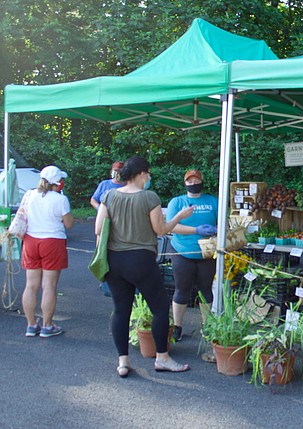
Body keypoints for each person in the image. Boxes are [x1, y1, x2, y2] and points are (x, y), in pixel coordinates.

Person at [95, 156, 194, 377]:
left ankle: (123, 361)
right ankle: (162, 357)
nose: (149, 177)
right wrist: (180, 216)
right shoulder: (150, 197)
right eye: (148, 173)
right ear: (141, 174)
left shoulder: (109, 196)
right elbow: (161, 230)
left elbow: (98, 228)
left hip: (114, 260)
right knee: (159, 308)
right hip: (141, 259)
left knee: (121, 310)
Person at [22, 165, 74, 338]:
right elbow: (68, 224)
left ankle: (31, 325)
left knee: (31, 285)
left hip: (31, 241)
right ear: (58, 182)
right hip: (52, 241)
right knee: (49, 286)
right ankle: (47, 326)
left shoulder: (29, 195)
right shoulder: (60, 199)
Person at [166, 169, 217, 342]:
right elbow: (171, 226)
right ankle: (178, 326)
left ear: (202, 181)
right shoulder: (177, 202)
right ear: (185, 183)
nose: (193, 184)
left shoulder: (212, 201)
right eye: (190, 181)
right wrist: (196, 230)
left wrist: (217, 231)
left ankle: (207, 327)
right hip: (182, 251)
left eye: (196, 181)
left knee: (206, 289)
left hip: (207, 253)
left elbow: (223, 222)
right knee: (182, 289)